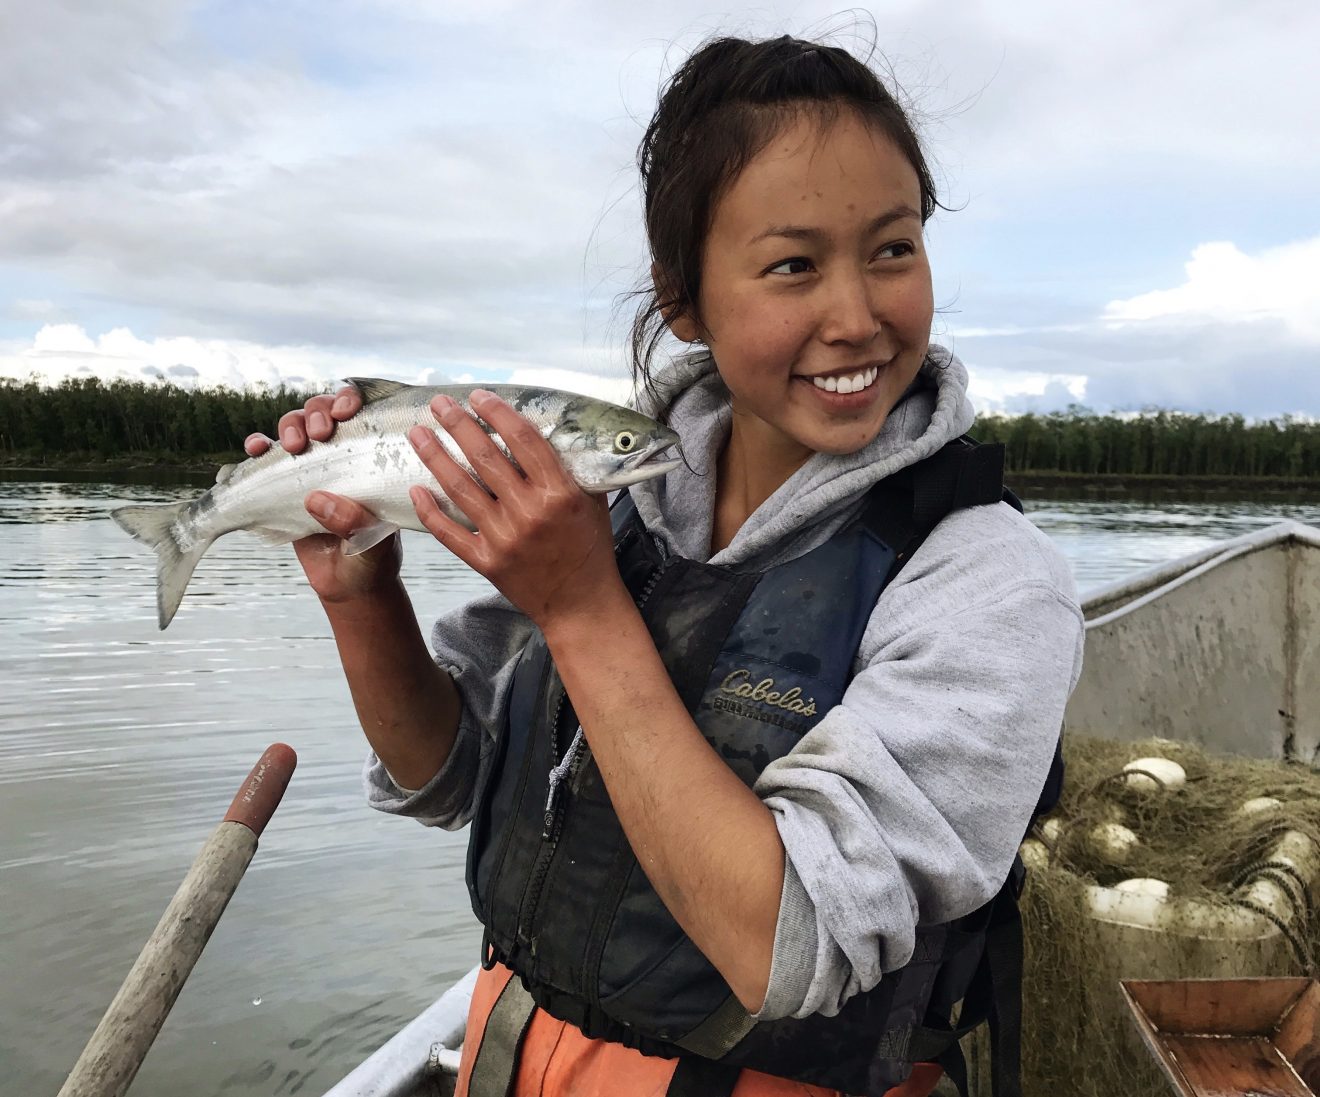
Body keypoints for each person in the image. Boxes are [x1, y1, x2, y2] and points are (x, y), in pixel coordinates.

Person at [247, 33, 1084, 1097]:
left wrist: (584, 609)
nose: (857, 315)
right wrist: (363, 596)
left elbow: (789, 943)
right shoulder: (605, 502)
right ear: (684, 297)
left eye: (892, 248)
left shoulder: (987, 581)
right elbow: (444, 774)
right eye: (793, 264)